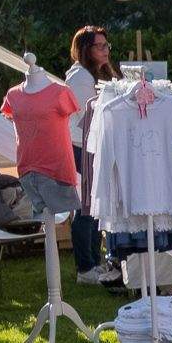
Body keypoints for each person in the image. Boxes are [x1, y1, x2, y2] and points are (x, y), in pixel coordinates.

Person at [66, 25, 115, 286]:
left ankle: (94, 262)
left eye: (107, 46)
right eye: (100, 46)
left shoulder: (92, 74)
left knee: (94, 206)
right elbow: (89, 115)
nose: (106, 50)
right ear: (86, 49)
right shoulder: (81, 78)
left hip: (90, 144)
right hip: (81, 144)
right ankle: (85, 267)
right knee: (86, 207)